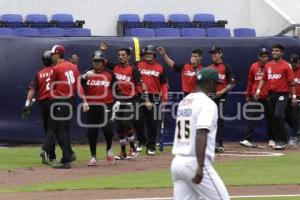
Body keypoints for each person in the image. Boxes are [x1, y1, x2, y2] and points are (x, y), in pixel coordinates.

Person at [171, 67, 229, 200]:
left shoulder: (184, 102)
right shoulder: (207, 104)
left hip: (178, 163)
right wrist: (200, 166)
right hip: (193, 162)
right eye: (216, 83)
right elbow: (201, 133)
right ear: (209, 83)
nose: (216, 87)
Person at [44, 45, 89, 169]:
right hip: (71, 100)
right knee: (64, 129)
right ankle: (68, 154)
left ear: (57, 54)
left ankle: (67, 158)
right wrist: (84, 101)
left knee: (61, 130)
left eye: (53, 54)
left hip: (60, 101)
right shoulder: (73, 67)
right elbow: (78, 86)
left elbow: (51, 87)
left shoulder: (56, 68)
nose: (51, 56)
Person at [255, 44, 296, 150]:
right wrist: (258, 90)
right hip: (271, 94)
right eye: (273, 51)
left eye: (277, 51)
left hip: (283, 94)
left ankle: (283, 139)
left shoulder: (286, 65)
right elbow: (263, 79)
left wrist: (294, 96)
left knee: (278, 114)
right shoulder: (268, 65)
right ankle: (278, 140)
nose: (274, 52)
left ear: (282, 53)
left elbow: (292, 82)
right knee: (273, 117)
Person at [81, 51, 117, 166]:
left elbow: (118, 89)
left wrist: (118, 102)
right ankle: (93, 156)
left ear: (103, 62)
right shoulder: (88, 73)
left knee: (108, 129)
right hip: (92, 106)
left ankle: (109, 150)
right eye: (94, 61)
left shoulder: (109, 74)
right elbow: (77, 83)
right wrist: (85, 76)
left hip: (106, 105)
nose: (96, 63)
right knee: (92, 132)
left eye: (99, 61)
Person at [23, 50, 57, 164]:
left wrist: (27, 105)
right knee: (53, 130)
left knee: (48, 130)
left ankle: (52, 156)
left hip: (43, 103)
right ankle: (46, 151)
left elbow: (32, 89)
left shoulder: (39, 73)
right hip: (54, 102)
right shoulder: (56, 70)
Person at [136, 45, 168, 155]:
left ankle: (151, 146)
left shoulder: (160, 67)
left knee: (152, 123)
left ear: (154, 55)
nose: (148, 56)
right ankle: (141, 141)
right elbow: (137, 82)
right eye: (146, 54)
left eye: (150, 54)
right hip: (141, 96)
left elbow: (164, 84)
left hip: (154, 97)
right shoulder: (138, 65)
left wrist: (165, 97)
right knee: (138, 120)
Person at [240, 48, 275, 148]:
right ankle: (248, 139)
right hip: (255, 96)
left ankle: (272, 139)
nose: (265, 58)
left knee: (271, 119)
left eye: (266, 56)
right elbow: (250, 81)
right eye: (262, 56)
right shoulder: (253, 66)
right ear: (258, 57)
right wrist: (247, 94)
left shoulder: (271, 66)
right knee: (251, 117)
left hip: (268, 96)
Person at [208, 46, 236, 153]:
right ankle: (210, 144)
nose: (213, 55)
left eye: (215, 53)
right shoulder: (209, 68)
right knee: (210, 121)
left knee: (219, 120)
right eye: (212, 53)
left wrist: (222, 92)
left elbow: (232, 83)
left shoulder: (226, 67)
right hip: (210, 98)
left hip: (221, 97)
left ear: (220, 54)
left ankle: (218, 144)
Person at [285, 54, 300, 146]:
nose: (293, 64)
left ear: (299, 61)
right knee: (286, 117)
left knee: (295, 117)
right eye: (292, 63)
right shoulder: (288, 70)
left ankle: (295, 137)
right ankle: (297, 132)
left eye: (295, 62)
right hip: (288, 97)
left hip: (298, 97)